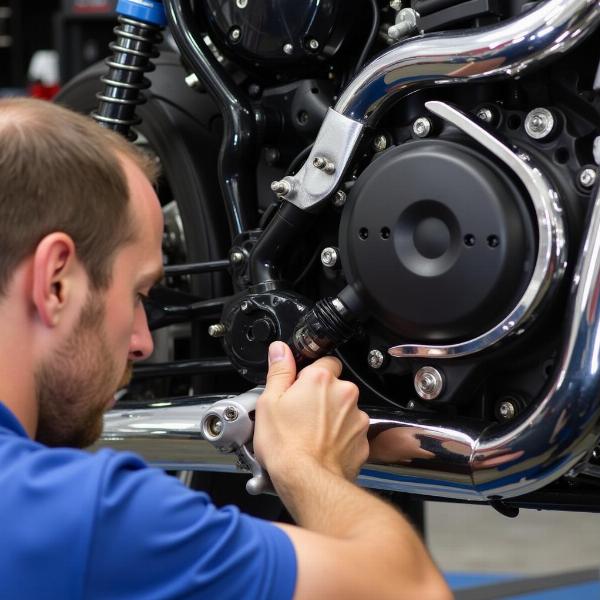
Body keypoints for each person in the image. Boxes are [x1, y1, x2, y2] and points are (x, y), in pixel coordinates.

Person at [0, 97, 451, 599]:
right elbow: (413, 590)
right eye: (138, 295)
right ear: (56, 282)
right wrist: (308, 466)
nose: (144, 344)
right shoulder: (81, 516)